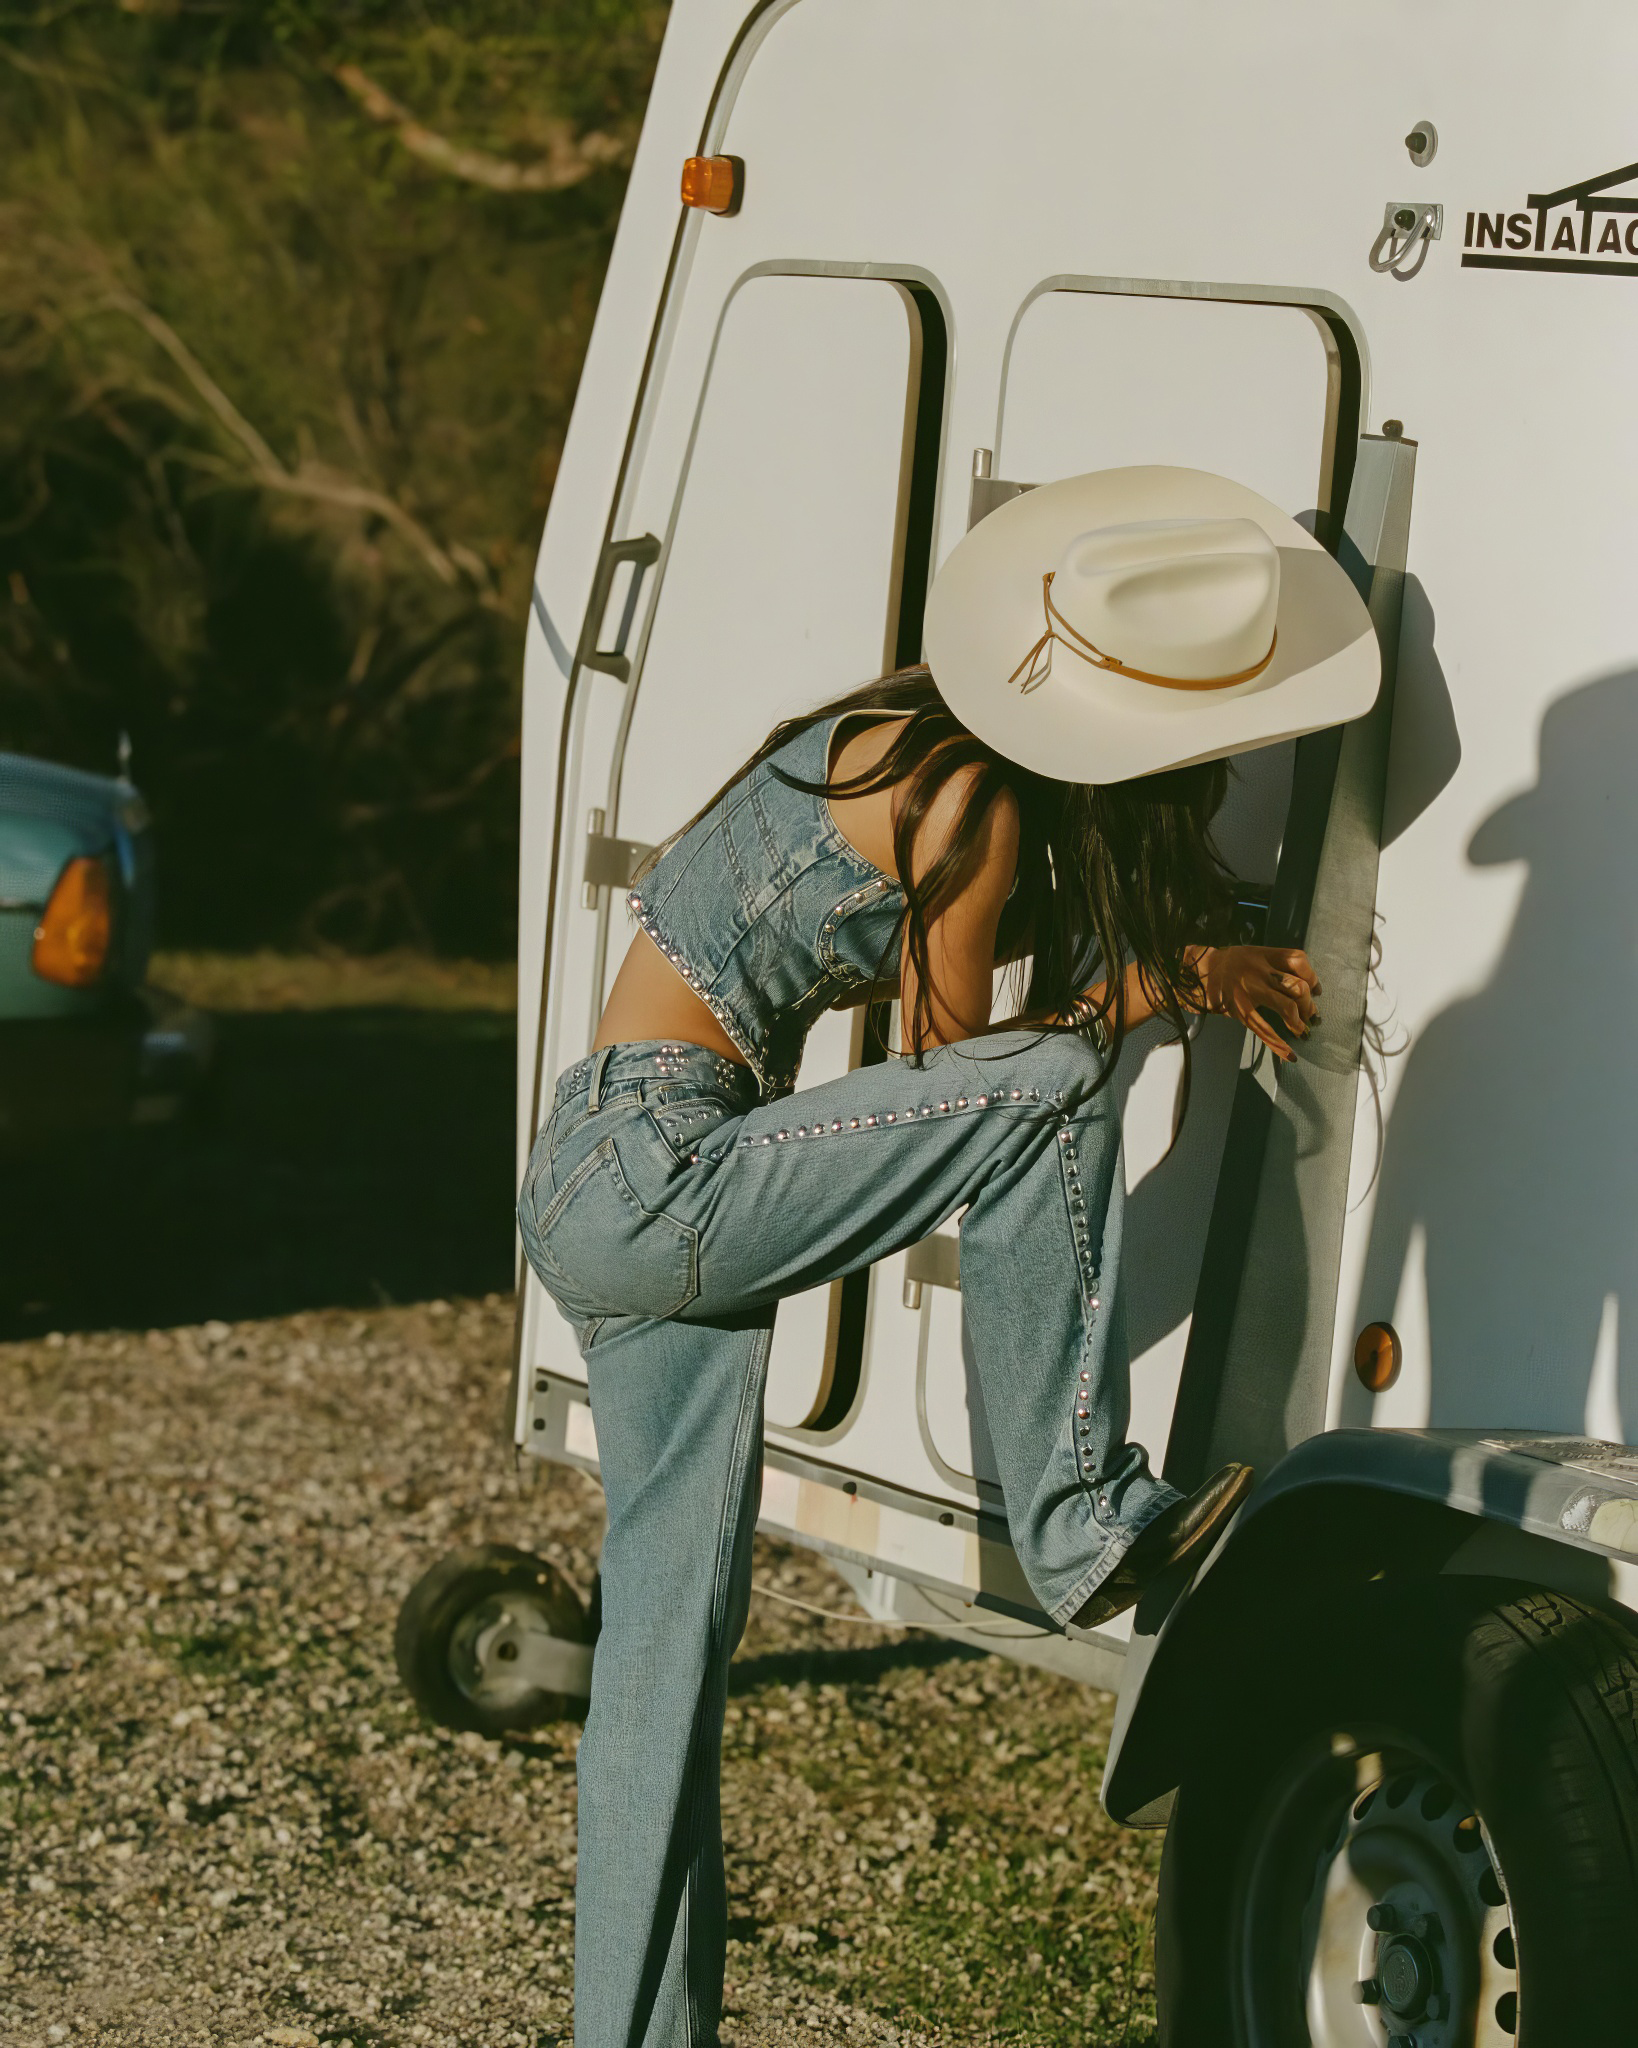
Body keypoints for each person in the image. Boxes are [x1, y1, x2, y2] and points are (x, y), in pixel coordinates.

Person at [516, 465, 1379, 2048]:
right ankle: (1074, 1523)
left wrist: (1173, 964)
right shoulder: (968, 798)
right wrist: (1161, 988)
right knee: (1047, 1088)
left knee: (661, 1665)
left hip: (604, 1165)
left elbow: (954, 1049)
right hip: (667, 1173)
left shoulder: (902, 738)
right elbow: (962, 1063)